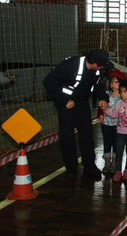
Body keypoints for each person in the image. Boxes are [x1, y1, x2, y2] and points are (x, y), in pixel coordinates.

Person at [43, 49, 113, 179]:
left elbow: (98, 85)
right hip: (66, 105)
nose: (103, 68)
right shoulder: (70, 65)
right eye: (101, 65)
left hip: (82, 103)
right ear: (94, 64)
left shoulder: (97, 70)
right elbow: (48, 82)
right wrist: (64, 100)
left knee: (87, 136)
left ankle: (89, 167)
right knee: (67, 137)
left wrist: (103, 98)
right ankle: (71, 169)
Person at [98, 69, 126, 174]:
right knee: (107, 142)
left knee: (116, 143)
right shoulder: (106, 94)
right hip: (106, 123)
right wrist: (100, 114)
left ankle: (114, 162)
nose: (113, 85)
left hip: (117, 124)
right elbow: (101, 105)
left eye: (116, 82)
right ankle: (107, 162)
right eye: (111, 82)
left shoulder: (122, 96)